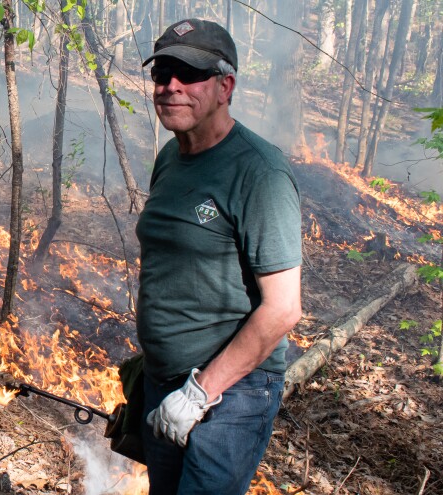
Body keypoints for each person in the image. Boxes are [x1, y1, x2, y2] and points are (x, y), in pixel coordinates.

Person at [135, 18, 303, 495]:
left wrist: (199, 392)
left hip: (231, 395)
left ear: (225, 86)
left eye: (188, 75)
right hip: (163, 380)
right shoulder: (171, 156)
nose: (170, 87)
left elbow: (283, 308)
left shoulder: (260, 173)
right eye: (161, 73)